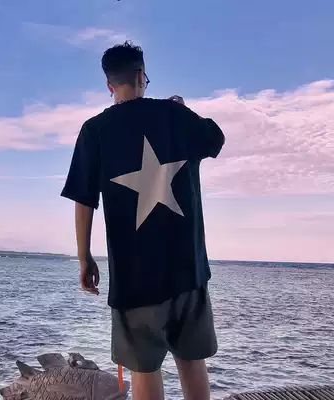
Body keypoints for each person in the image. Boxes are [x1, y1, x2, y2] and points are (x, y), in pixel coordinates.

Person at [61, 41, 225, 400]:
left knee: (144, 370)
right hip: (188, 269)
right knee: (192, 362)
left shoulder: (95, 130)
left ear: (109, 84)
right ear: (141, 76)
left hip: (133, 276)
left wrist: (84, 258)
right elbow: (215, 139)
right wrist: (184, 110)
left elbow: (83, 199)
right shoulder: (175, 115)